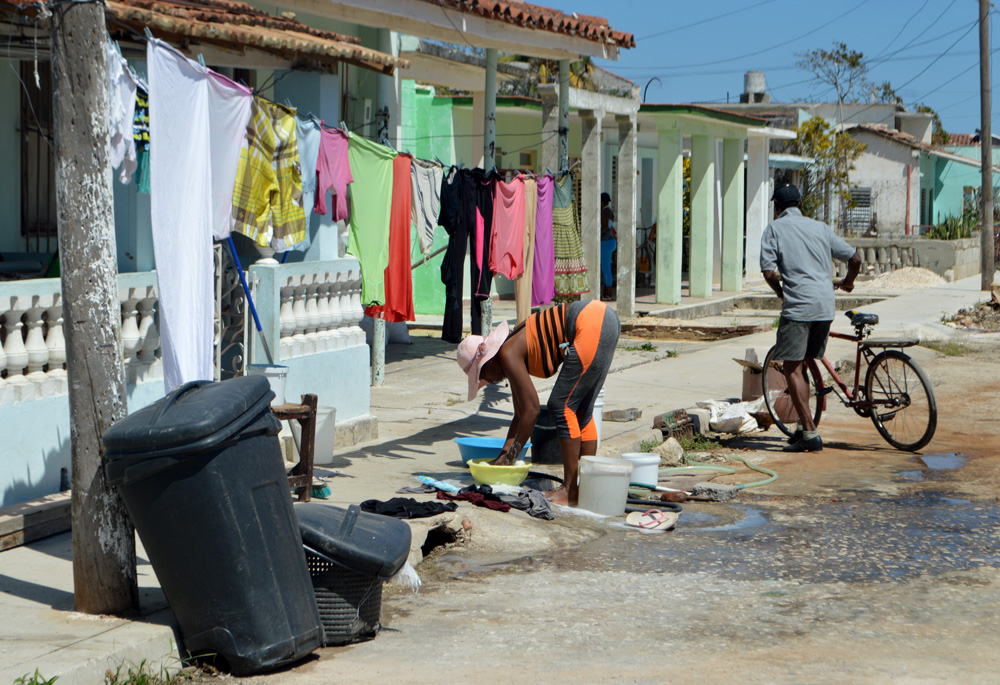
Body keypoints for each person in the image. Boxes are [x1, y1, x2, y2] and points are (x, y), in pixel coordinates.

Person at [456, 300, 620, 505]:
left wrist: (512, 457)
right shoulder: (510, 350)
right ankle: (585, 489)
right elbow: (520, 413)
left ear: (488, 360)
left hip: (590, 323)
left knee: (561, 405)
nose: (488, 381)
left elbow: (532, 410)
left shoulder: (507, 353)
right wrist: (504, 457)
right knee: (582, 411)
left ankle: (570, 491)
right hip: (604, 318)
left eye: (484, 375)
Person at [760, 183, 861, 452]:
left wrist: (781, 293)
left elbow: (769, 272)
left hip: (799, 307)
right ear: (799, 204)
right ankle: (803, 428)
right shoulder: (820, 227)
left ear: (777, 206)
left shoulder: (774, 229)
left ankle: (811, 435)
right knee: (803, 364)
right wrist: (849, 283)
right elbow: (855, 258)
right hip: (825, 306)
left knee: (792, 368)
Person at [600, 192, 617, 301]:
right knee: (606, 267)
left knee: (605, 268)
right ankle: (606, 293)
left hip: (605, 242)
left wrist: (597, 234)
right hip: (611, 241)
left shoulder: (604, 212)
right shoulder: (609, 211)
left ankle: (609, 294)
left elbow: (605, 228)